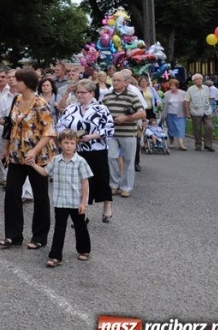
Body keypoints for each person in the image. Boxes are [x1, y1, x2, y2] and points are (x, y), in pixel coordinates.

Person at [0, 68, 55, 251]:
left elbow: (49, 132)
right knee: (12, 193)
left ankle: (39, 237)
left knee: (40, 196)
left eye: (18, 80)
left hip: (37, 157)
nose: (14, 82)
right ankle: (13, 236)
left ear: (28, 83)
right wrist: (6, 148)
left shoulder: (40, 103)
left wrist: (34, 151)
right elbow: (11, 125)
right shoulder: (17, 99)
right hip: (16, 155)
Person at [26, 130, 93, 267]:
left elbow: (85, 183)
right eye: (66, 143)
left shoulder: (81, 162)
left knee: (80, 226)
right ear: (60, 144)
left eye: (72, 143)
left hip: (76, 202)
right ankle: (55, 256)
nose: (69, 146)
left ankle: (84, 250)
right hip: (60, 202)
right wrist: (33, 165)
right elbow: (45, 173)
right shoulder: (56, 160)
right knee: (59, 229)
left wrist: (83, 203)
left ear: (76, 145)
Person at [56, 80, 115, 223]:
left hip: (97, 149)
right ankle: (83, 212)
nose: (79, 95)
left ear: (91, 93)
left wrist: (93, 136)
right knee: (81, 181)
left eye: (83, 92)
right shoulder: (71, 108)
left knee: (100, 178)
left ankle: (107, 204)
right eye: (77, 92)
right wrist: (69, 137)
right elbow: (60, 125)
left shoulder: (101, 109)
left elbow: (110, 128)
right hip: (77, 149)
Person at [102, 72, 145, 198]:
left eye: (118, 80)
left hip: (127, 133)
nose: (115, 83)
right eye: (114, 80)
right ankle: (114, 185)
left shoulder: (132, 96)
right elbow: (102, 112)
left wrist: (125, 118)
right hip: (111, 133)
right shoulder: (107, 96)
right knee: (111, 158)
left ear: (126, 82)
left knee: (128, 160)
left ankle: (126, 187)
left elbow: (142, 114)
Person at [184, 73, 214, 152]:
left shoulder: (206, 88)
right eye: (197, 79)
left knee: (209, 127)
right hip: (196, 112)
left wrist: (211, 108)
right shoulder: (190, 89)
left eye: (200, 79)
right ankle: (198, 144)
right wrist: (187, 112)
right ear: (194, 81)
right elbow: (186, 101)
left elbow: (209, 98)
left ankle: (208, 145)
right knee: (197, 129)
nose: (199, 80)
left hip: (207, 111)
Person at [163, 78, 187, 150]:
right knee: (171, 128)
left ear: (177, 86)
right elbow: (164, 105)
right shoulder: (166, 94)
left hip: (180, 114)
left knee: (181, 128)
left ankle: (181, 144)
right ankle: (171, 142)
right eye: (170, 86)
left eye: (173, 86)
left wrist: (188, 112)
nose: (171, 87)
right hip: (170, 113)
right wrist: (163, 115)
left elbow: (186, 103)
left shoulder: (183, 93)